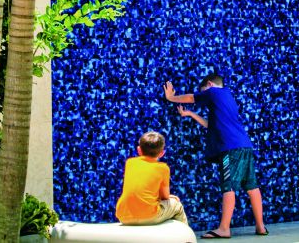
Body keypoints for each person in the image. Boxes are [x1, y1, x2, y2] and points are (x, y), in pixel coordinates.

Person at [164, 73, 268, 239]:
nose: (203, 94)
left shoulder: (214, 92)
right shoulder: (227, 98)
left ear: (210, 84)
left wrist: (172, 97)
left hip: (229, 148)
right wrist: (190, 114)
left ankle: (224, 228)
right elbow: (209, 125)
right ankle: (260, 226)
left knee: (228, 186)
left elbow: (191, 98)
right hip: (244, 146)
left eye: (203, 90)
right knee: (252, 186)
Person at [115, 131, 188, 226]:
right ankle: (185, 240)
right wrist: (169, 197)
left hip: (123, 216)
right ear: (162, 153)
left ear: (139, 150)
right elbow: (165, 196)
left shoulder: (129, 163)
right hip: (149, 216)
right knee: (177, 206)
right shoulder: (163, 168)